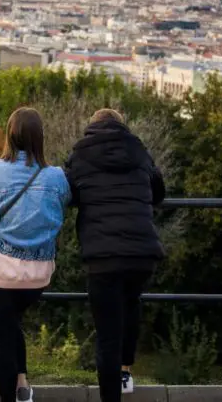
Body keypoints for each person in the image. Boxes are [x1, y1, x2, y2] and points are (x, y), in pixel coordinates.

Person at [0, 107, 71, 402]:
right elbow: (64, 203)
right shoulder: (57, 177)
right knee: (12, 324)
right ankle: (22, 384)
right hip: (37, 275)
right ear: (40, 138)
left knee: (2, 337)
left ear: (10, 135)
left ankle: (10, 397)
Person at [63, 109, 165, 402]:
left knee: (107, 335)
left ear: (92, 129)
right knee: (131, 306)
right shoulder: (139, 152)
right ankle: (125, 371)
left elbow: (69, 192)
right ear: (122, 127)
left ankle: (111, 397)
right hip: (142, 252)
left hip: (102, 255)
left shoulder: (81, 155)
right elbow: (158, 191)